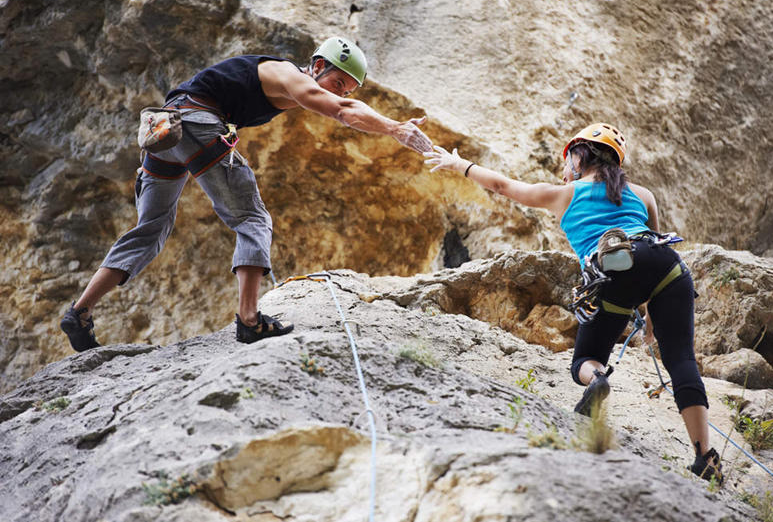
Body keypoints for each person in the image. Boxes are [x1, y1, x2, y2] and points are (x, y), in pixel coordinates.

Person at [61, 37, 433, 349]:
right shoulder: (288, 75)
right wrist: (396, 128)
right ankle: (250, 320)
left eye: (347, 88)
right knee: (252, 218)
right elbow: (343, 111)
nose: (339, 92)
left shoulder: (285, 85)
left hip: (164, 130)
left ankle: (79, 313)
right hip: (191, 123)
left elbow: (342, 103)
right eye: (337, 82)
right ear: (317, 65)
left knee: (151, 229)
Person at [424, 123, 722, 482]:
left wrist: (460, 165)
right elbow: (653, 248)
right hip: (668, 269)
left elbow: (503, 186)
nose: (563, 171)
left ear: (579, 157)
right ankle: (705, 456)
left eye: (565, 162)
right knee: (682, 361)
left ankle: (597, 379)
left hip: (613, 275)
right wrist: (651, 321)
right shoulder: (643, 195)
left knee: (584, 358)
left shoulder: (564, 194)